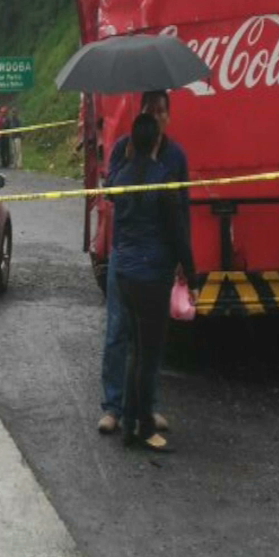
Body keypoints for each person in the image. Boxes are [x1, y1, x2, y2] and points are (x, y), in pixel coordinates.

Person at [99, 90, 189, 437]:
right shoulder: (124, 147)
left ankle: (147, 407)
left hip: (159, 261)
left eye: (162, 111)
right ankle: (113, 407)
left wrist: (183, 258)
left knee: (149, 342)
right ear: (141, 115)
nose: (157, 116)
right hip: (124, 254)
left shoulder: (175, 156)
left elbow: (181, 208)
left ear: (169, 116)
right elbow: (109, 191)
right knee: (117, 330)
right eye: (151, 110)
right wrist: (130, 162)